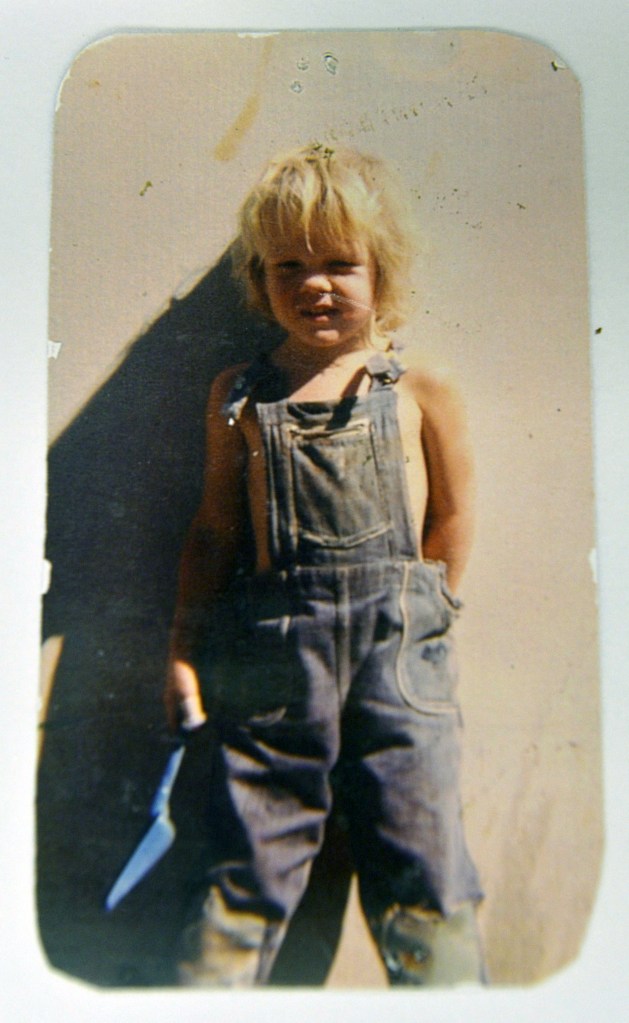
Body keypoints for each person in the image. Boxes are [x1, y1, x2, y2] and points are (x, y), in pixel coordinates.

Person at [164, 144, 484, 987]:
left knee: (423, 866)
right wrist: (183, 652)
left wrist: (426, 614)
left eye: (340, 263)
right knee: (246, 872)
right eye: (288, 266)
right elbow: (213, 531)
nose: (315, 284)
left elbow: (450, 515)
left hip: (398, 664)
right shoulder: (241, 394)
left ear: (382, 269)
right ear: (258, 277)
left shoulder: (418, 386)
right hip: (275, 667)